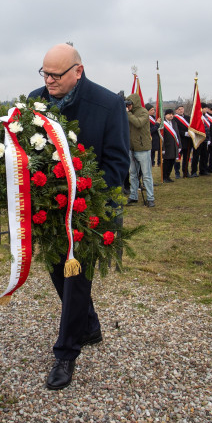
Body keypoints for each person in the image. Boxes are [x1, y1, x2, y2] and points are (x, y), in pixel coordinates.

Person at [30, 43, 129, 391]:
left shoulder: (108, 104)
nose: (49, 81)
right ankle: (89, 325)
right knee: (58, 271)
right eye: (44, 73)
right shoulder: (35, 100)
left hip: (90, 214)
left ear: (78, 71)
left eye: (56, 75)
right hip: (51, 210)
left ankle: (66, 354)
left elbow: (118, 162)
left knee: (76, 281)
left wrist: (92, 201)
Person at [125, 94, 154, 207]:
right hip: (131, 148)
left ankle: (150, 198)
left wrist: (127, 113)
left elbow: (138, 123)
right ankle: (133, 196)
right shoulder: (128, 113)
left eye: (130, 104)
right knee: (132, 174)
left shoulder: (143, 112)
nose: (128, 106)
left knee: (146, 175)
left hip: (143, 148)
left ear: (134, 103)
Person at [172, 105, 194, 178]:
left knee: (186, 158)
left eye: (182, 109)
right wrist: (184, 133)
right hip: (180, 141)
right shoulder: (174, 119)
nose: (181, 110)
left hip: (188, 141)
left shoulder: (188, 118)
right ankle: (177, 173)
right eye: (179, 109)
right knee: (178, 158)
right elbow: (175, 129)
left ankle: (185, 172)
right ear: (176, 111)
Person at [159, 109, 179, 182]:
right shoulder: (162, 124)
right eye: (169, 114)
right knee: (166, 162)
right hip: (167, 146)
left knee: (172, 162)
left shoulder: (174, 123)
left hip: (174, 146)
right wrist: (162, 148)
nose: (171, 115)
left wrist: (179, 146)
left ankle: (168, 176)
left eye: (172, 114)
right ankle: (164, 177)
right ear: (165, 115)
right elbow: (161, 136)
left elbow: (177, 135)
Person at [147, 103, 160, 167]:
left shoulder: (155, 118)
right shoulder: (146, 119)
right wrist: (157, 125)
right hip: (150, 139)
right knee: (151, 154)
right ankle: (151, 163)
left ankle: (158, 162)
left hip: (156, 138)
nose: (153, 111)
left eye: (154, 110)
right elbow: (150, 130)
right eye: (151, 110)